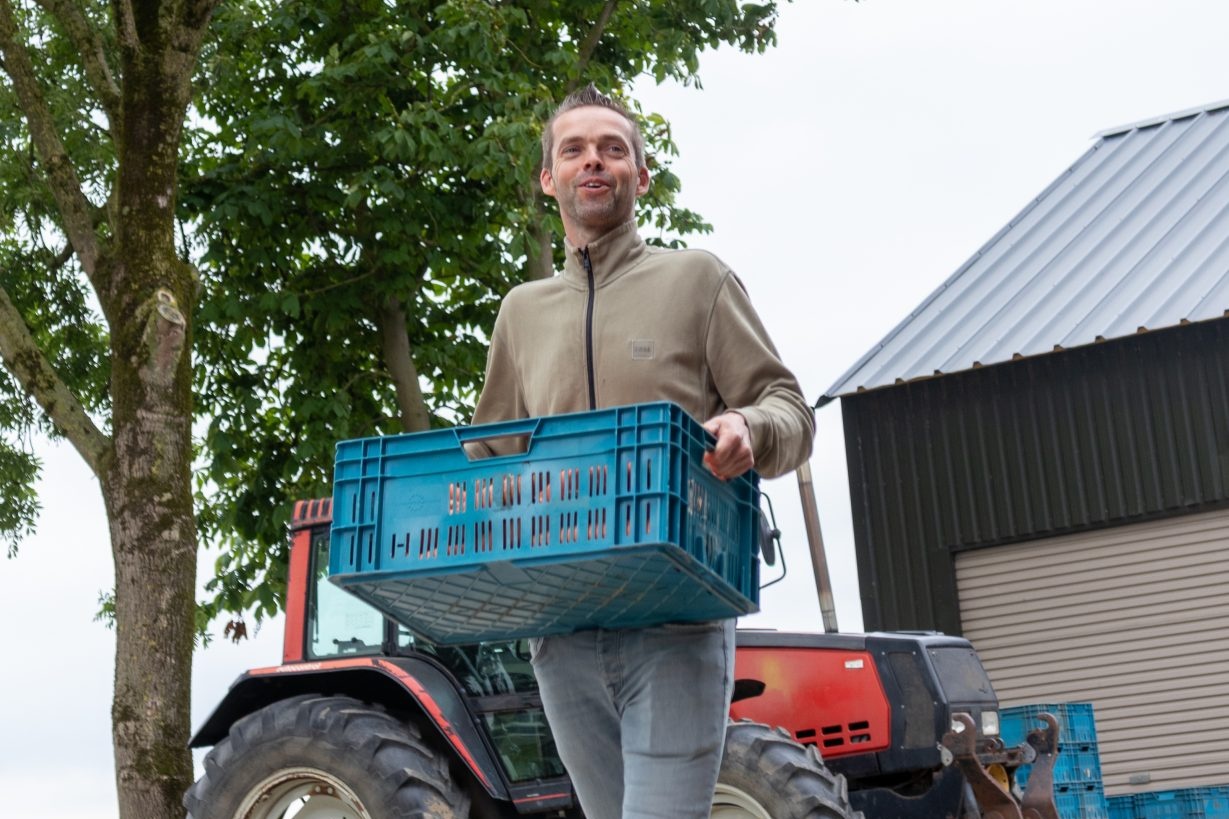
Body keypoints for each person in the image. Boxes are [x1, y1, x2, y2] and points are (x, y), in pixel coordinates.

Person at [471, 84, 814, 819]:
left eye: (612, 148)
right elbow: (487, 462)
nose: (593, 160)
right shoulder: (520, 313)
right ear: (548, 178)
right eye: (574, 149)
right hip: (561, 630)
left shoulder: (697, 279)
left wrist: (750, 427)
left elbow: (789, 407)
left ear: (640, 176)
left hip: (675, 618)